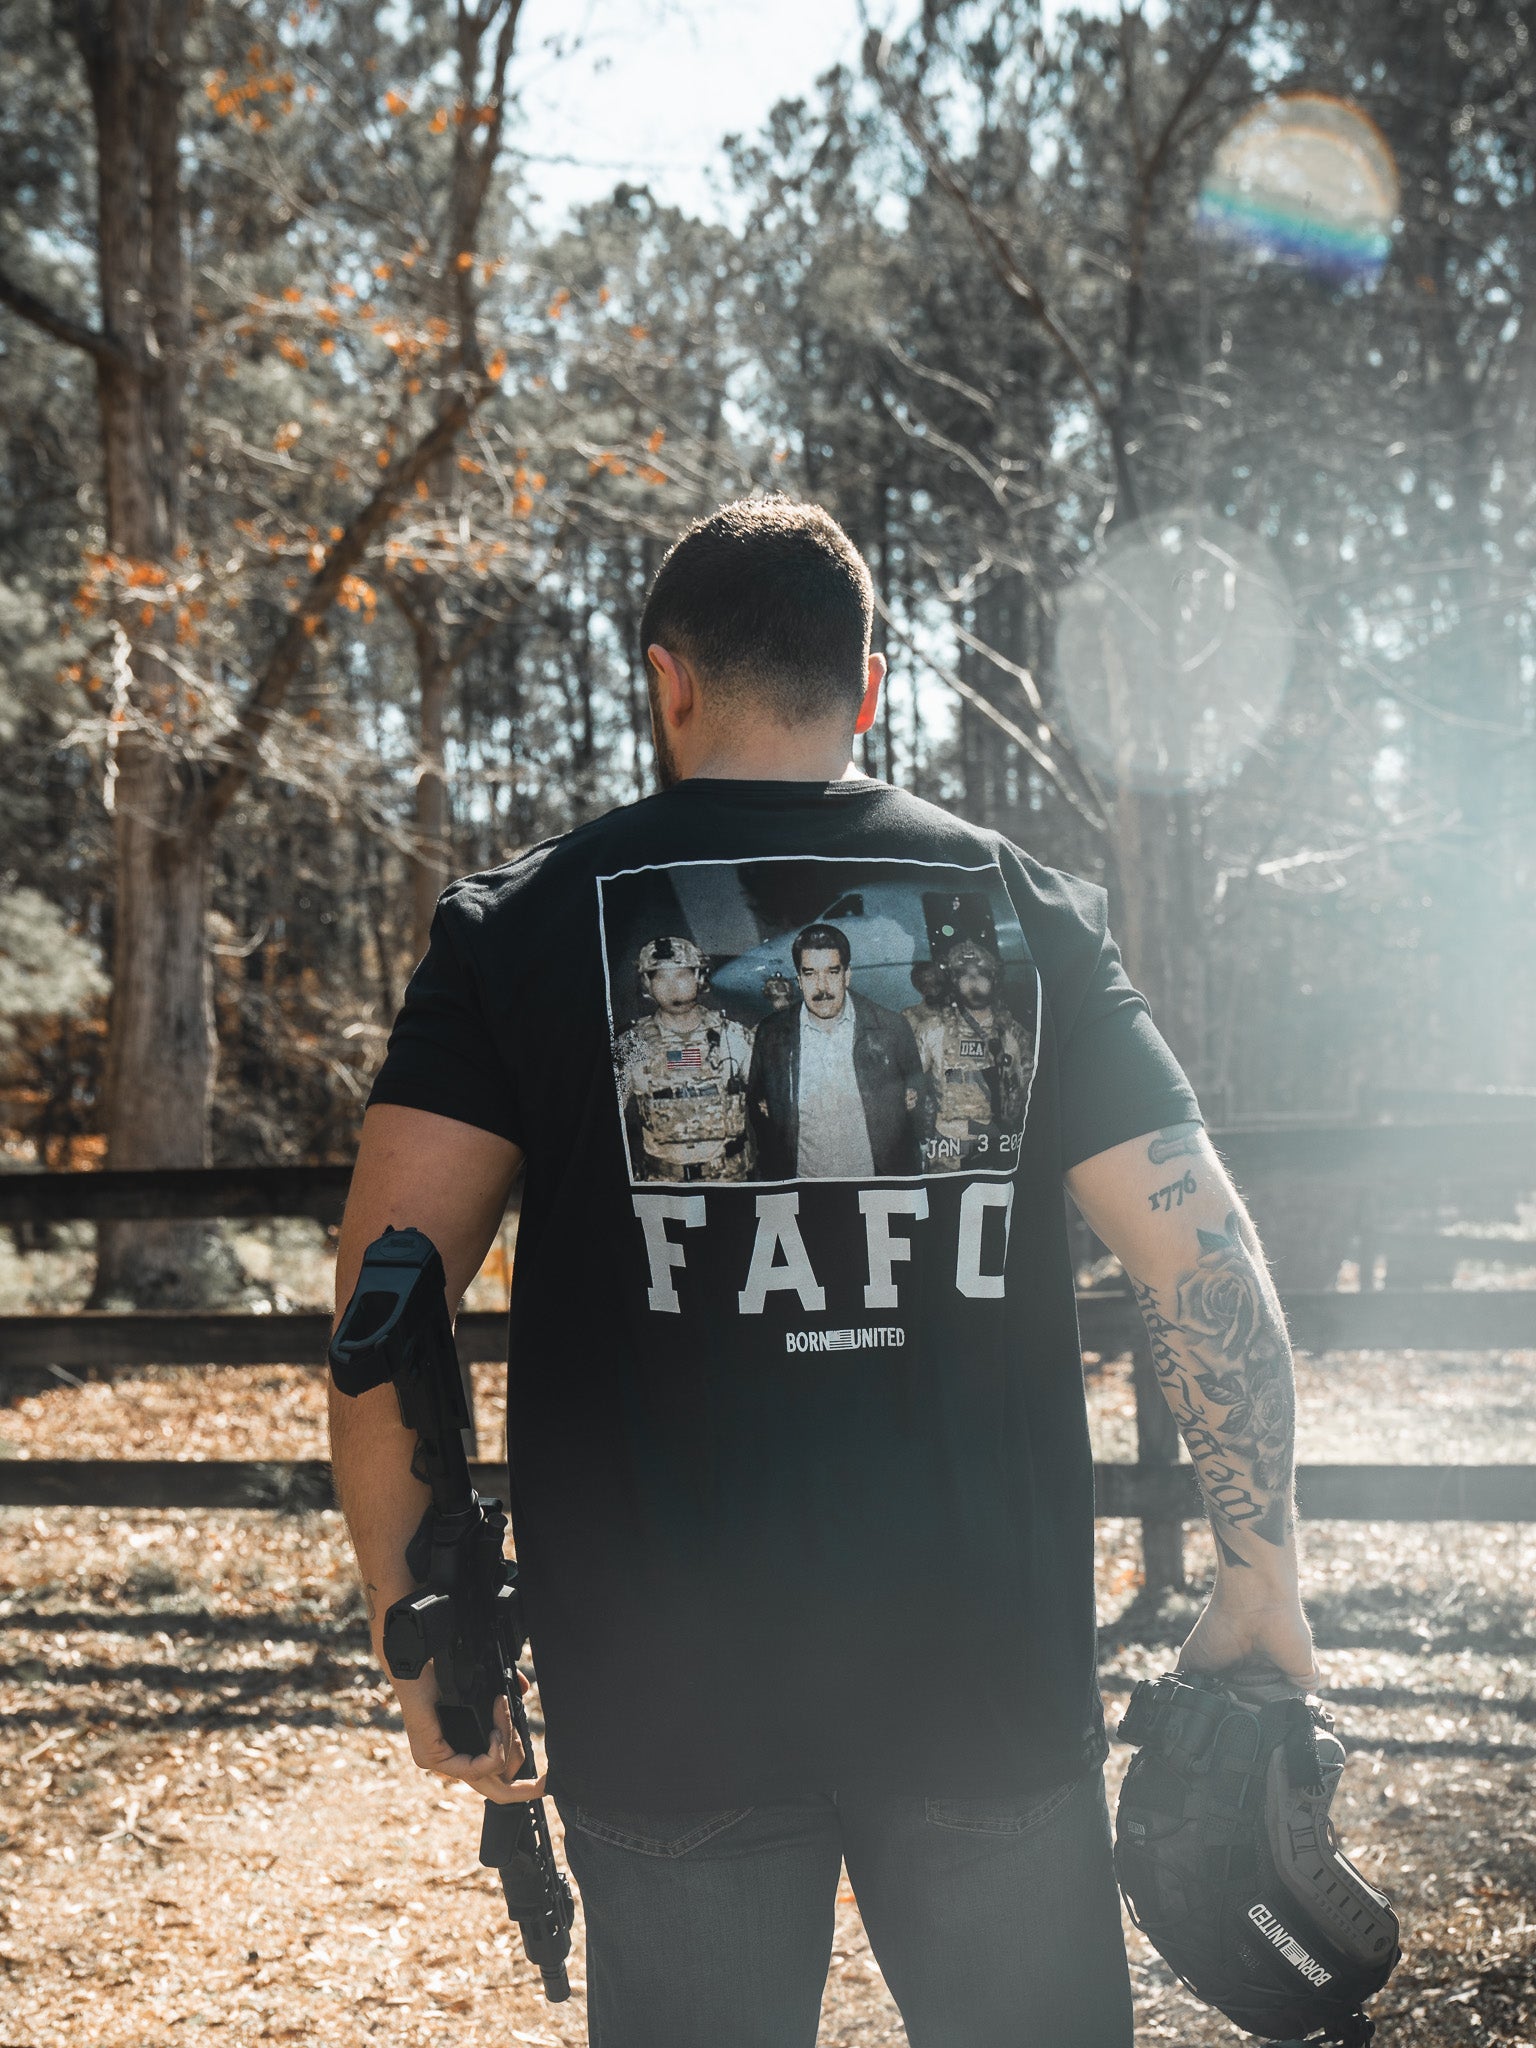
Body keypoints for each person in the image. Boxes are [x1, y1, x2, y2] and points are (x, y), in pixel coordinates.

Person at [329, 497, 1317, 2048]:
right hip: (983, 1673)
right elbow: (1202, 1255)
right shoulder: (1029, 911)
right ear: (869, 686)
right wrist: (1261, 1572)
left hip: (666, 1700)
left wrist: (421, 1634)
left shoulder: (513, 934)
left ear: (669, 681)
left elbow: (387, 1307)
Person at [746, 921, 925, 1178]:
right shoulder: (772, 1035)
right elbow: (758, 1118)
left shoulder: (891, 1030)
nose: (822, 987)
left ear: (847, 975)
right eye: (810, 974)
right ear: (798, 979)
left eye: (832, 972)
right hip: (803, 1191)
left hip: (872, 1190)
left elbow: (916, 1109)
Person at [614, 935, 753, 1182]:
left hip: (729, 1182)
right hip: (665, 1187)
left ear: (699, 978)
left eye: (681, 975)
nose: (672, 986)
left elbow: (766, 1100)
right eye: (660, 977)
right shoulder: (631, 1045)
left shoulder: (733, 1036)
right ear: (647, 983)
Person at [912, 934, 1034, 1171]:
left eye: (981, 973)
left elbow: (1026, 1095)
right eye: (964, 975)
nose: (973, 980)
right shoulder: (933, 1031)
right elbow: (912, 1091)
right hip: (947, 1155)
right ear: (953, 982)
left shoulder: (1014, 1035)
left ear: (994, 978)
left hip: (997, 1150)